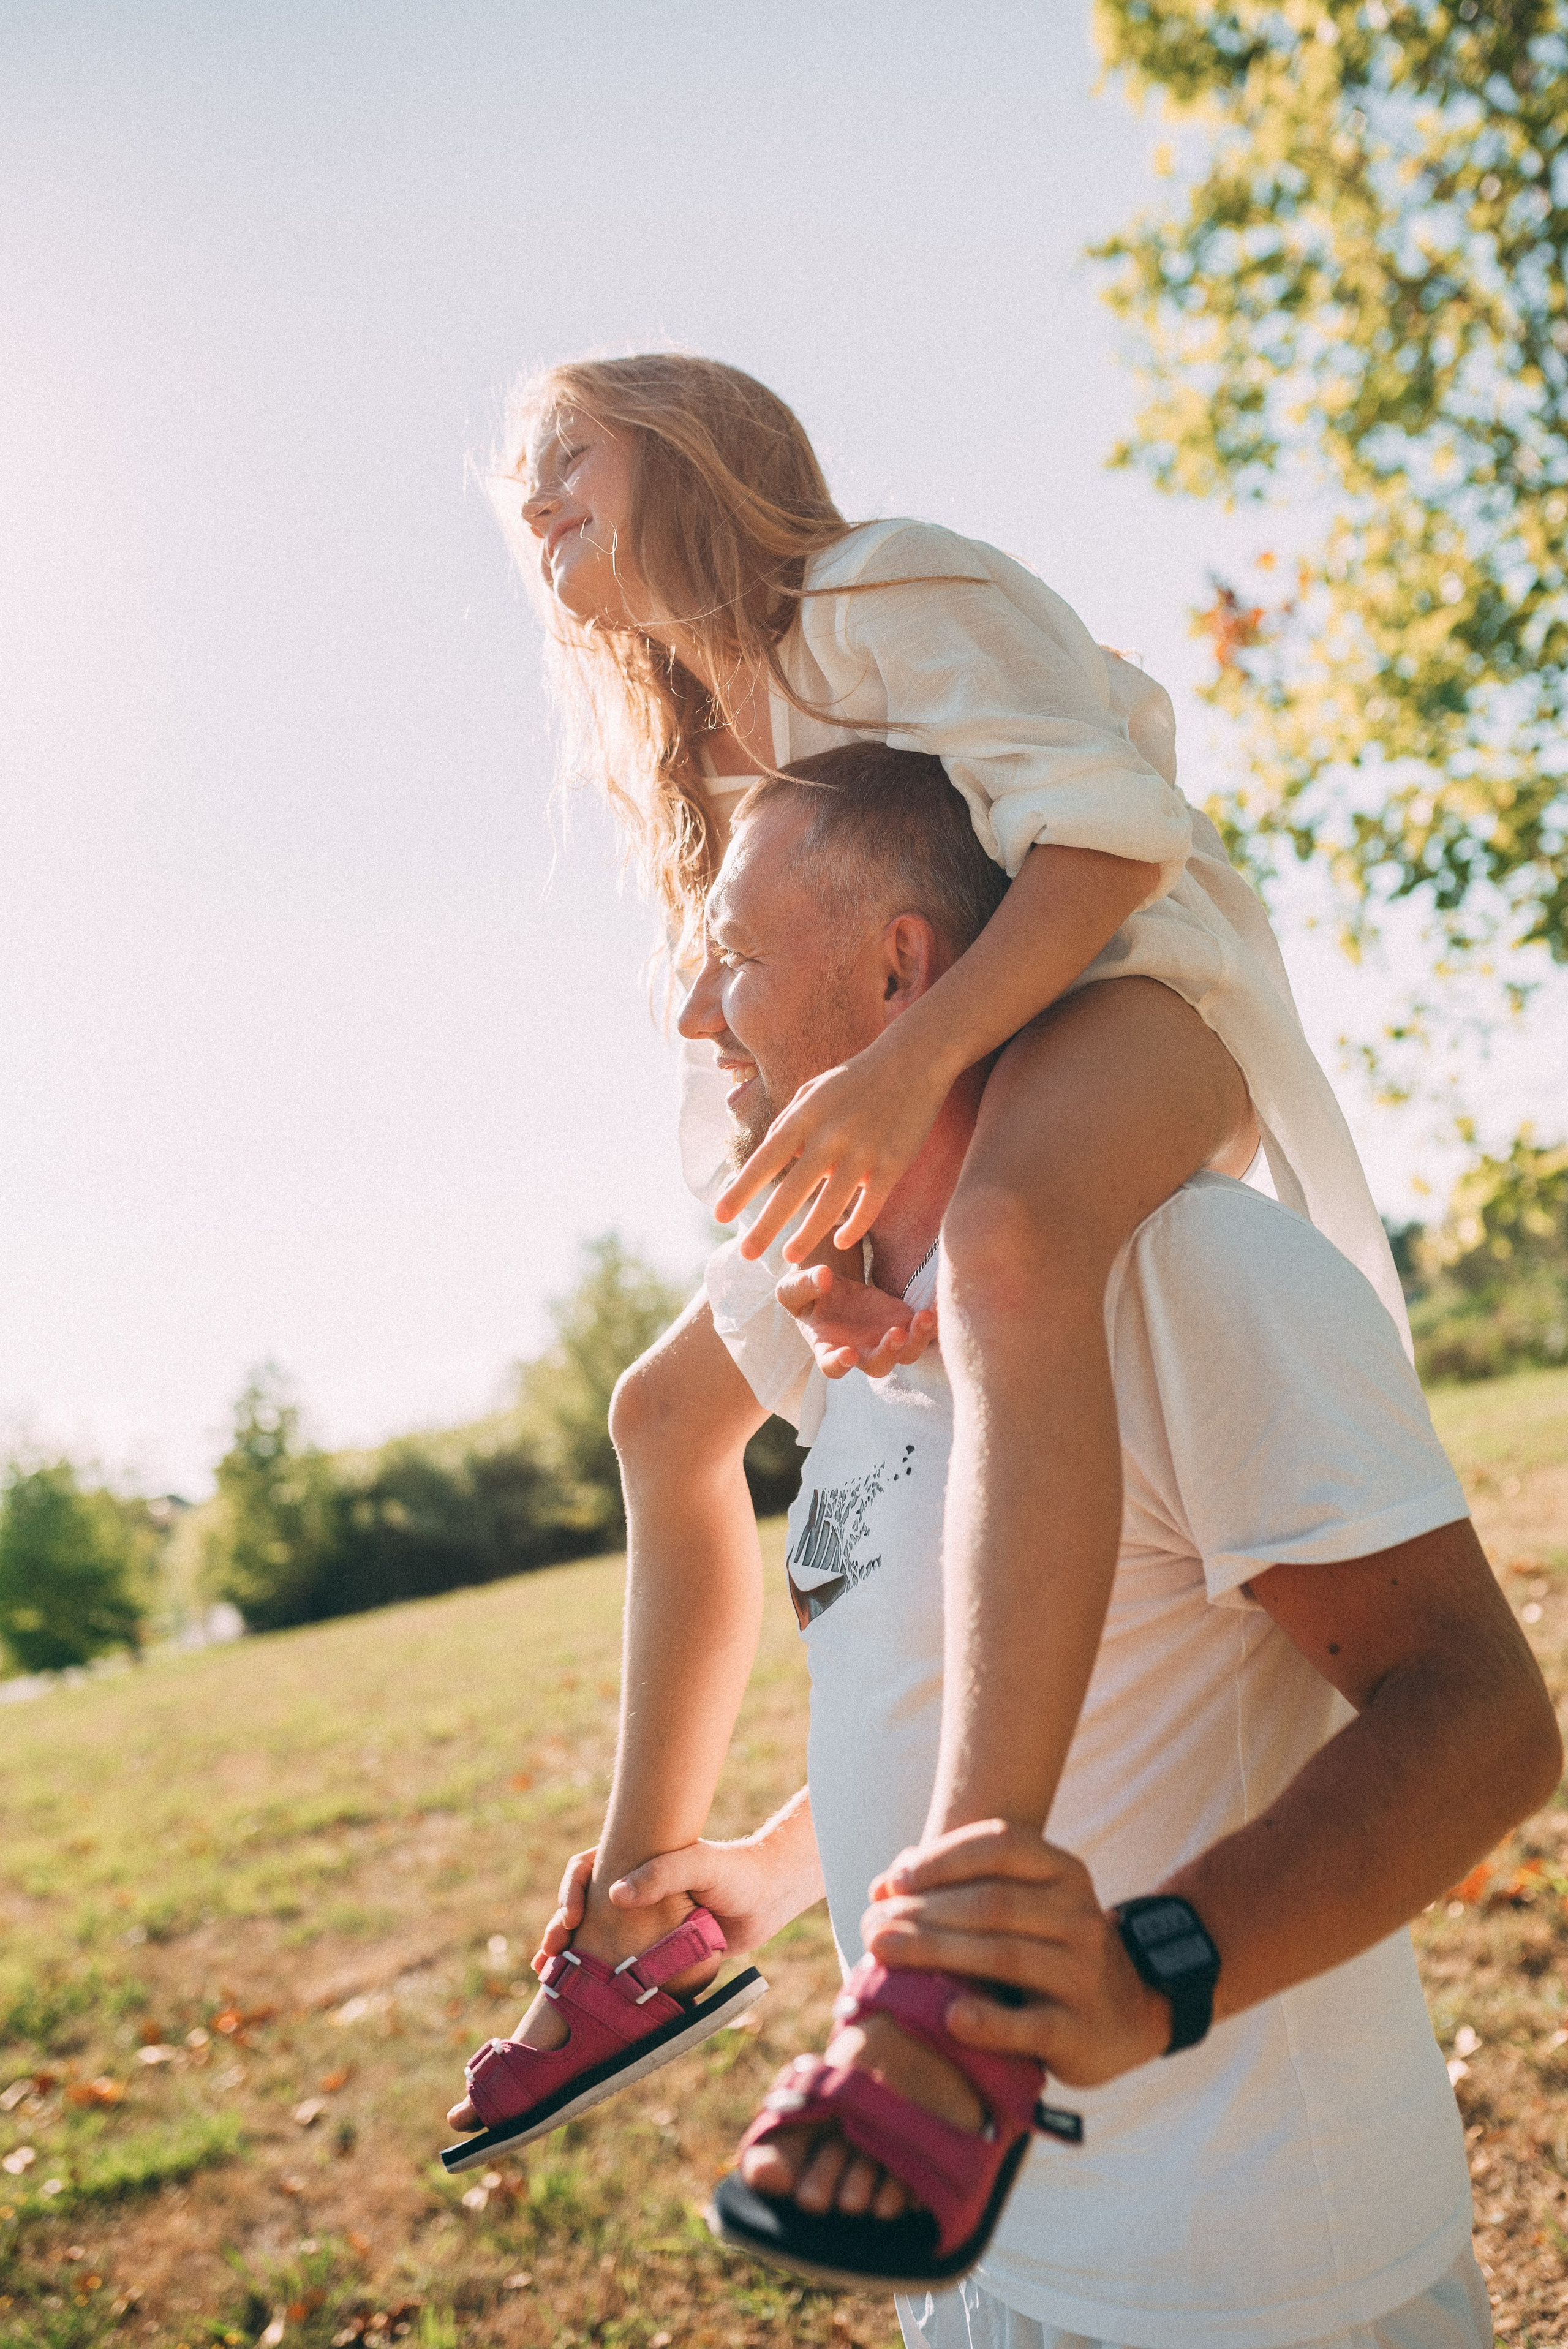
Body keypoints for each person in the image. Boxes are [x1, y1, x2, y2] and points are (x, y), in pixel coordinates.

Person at [445, 355, 1406, 2211]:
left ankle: (957, 1945)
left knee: (1018, 1241)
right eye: (516, 478)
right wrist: (837, 1226)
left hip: (1128, 978)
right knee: (664, 1412)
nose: (535, 488)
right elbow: (755, 1014)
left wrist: (898, 1100)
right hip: (948, 1050)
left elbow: (1112, 840)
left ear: (700, 445)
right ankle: (640, 1919)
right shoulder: (711, 738)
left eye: (574, 449)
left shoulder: (878, 586)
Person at [592, 744, 1560, 2343]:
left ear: (901, 968)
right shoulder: (864, 1344)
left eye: (739, 959)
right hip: (965, 2254)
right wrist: (770, 1869)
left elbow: (1481, 1719)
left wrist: (1152, 1965)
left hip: (1250, 2278)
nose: (703, 1017)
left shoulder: (1184, 1272)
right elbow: (992, 1680)